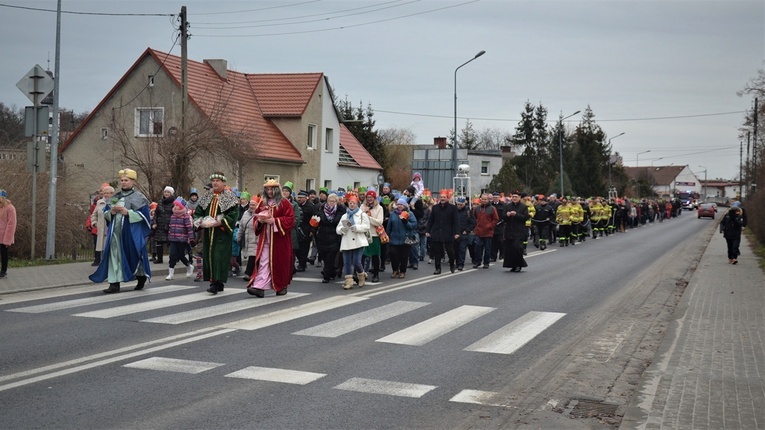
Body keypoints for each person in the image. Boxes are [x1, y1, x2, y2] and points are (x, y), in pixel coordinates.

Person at [89, 169, 152, 293]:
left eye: (126, 180)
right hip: (115, 233)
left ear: (133, 182)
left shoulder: (140, 197)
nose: (123, 182)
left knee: (135, 254)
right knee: (114, 256)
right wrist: (110, 212)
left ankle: (140, 277)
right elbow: (106, 212)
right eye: (122, 180)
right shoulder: (115, 197)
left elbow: (145, 216)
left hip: (131, 233)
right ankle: (114, 284)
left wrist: (127, 212)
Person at [246, 179, 295, 297]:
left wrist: (275, 221)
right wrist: (260, 221)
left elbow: (291, 219)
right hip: (265, 239)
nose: (269, 192)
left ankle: (281, 286)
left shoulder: (284, 203)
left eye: (271, 189)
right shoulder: (262, 203)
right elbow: (255, 219)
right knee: (263, 262)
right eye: (267, 189)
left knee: (280, 263)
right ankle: (259, 286)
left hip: (279, 239)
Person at [193, 172, 239, 294]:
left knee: (219, 257)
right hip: (208, 233)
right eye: (213, 181)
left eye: (218, 180)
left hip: (222, 234)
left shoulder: (230, 197)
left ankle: (218, 281)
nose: (215, 183)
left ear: (223, 182)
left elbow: (233, 215)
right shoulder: (207, 196)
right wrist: (200, 222)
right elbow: (198, 212)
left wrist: (221, 222)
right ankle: (214, 282)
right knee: (209, 256)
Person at [336, 194, 370, 289]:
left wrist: (357, 228)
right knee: (346, 262)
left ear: (357, 204)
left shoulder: (362, 215)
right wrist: (342, 229)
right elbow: (338, 228)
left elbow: (367, 227)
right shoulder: (344, 216)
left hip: (358, 241)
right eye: (350, 203)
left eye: (354, 203)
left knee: (356, 262)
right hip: (347, 241)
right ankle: (349, 282)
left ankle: (361, 275)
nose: (352, 205)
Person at [426, 190, 460, 275]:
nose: (442, 199)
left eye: (444, 197)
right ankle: (437, 268)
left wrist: (457, 232)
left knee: (450, 251)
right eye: (441, 197)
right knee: (437, 252)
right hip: (437, 232)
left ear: (447, 198)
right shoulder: (435, 208)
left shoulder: (453, 208)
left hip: (448, 232)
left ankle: (452, 265)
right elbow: (431, 220)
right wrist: (428, 230)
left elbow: (456, 221)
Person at [315, 193, 345, 283]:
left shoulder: (340, 210)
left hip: (334, 236)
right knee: (324, 255)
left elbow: (339, 221)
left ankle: (326, 276)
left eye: (333, 201)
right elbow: (318, 219)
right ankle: (332, 272)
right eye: (329, 201)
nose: (331, 203)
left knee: (330, 257)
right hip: (323, 236)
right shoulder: (321, 208)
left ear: (336, 202)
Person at [386, 197, 417, 279]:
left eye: (401, 204)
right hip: (394, 239)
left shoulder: (409, 214)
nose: (399, 206)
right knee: (393, 255)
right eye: (398, 204)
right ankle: (395, 270)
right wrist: (387, 235)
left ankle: (403, 271)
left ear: (405, 205)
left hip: (405, 239)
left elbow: (413, 226)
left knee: (404, 256)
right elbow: (389, 226)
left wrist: (406, 222)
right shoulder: (393, 214)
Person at [165, 197, 195, 280]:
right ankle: (171, 273)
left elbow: (189, 228)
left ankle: (189, 266)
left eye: (177, 205)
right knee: (172, 256)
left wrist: (191, 239)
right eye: (174, 205)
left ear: (181, 206)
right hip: (173, 239)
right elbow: (170, 227)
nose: (175, 206)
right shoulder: (173, 216)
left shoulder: (185, 216)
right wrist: (169, 238)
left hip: (182, 239)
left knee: (181, 256)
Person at [361, 189, 384, 283]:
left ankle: (375, 274)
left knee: (375, 255)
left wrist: (368, 217)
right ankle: (360, 274)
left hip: (374, 234)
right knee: (362, 255)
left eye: (371, 197)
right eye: (368, 197)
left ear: (375, 198)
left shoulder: (379, 208)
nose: (369, 199)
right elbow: (358, 217)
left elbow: (379, 222)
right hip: (364, 233)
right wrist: (364, 213)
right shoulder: (362, 206)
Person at [502, 191, 529, 272]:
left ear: (519, 198)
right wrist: (507, 215)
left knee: (517, 248)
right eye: (513, 196)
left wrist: (516, 214)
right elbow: (503, 217)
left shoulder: (523, 207)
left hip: (519, 231)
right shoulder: (507, 206)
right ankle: (512, 265)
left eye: (516, 197)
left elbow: (525, 217)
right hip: (509, 230)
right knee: (510, 249)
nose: (514, 198)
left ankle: (518, 265)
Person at [237, 195, 260, 281]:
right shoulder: (246, 213)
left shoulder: (260, 214)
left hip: (256, 239)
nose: (251, 206)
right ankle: (255, 272)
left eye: (253, 205)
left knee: (252, 256)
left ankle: (248, 273)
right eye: (250, 204)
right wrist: (238, 237)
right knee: (252, 256)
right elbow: (242, 226)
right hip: (247, 239)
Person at [472, 193, 499, 269]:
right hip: (478, 231)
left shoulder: (492, 208)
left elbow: (496, 219)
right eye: (482, 199)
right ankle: (478, 261)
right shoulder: (477, 208)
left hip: (488, 232)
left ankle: (486, 262)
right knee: (477, 247)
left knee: (487, 248)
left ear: (488, 200)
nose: (484, 200)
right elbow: (474, 217)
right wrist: (476, 226)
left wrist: (490, 226)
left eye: (485, 199)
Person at [90, 186, 115, 268]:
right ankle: (105, 266)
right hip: (102, 230)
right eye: (105, 193)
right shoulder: (100, 202)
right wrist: (95, 223)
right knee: (104, 248)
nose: (106, 195)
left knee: (112, 248)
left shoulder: (116, 202)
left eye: (108, 193)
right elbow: (94, 214)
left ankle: (112, 265)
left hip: (113, 229)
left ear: (112, 193)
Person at [152, 186, 176, 263]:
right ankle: (159, 258)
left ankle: (173, 258)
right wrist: (154, 222)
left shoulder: (174, 203)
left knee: (171, 242)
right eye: (165, 192)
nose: (166, 193)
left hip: (170, 225)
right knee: (159, 242)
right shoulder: (160, 202)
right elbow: (156, 213)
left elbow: (175, 214)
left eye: (168, 192)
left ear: (171, 194)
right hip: (160, 225)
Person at [294, 190, 315, 272]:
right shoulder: (297, 205)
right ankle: (304, 260)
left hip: (307, 230)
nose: (299, 199)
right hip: (298, 229)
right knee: (297, 249)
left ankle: (302, 265)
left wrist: (312, 230)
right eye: (298, 197)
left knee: (304, 248)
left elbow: (314, 218)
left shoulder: (311, 207)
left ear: (305, 198)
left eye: (301, 198)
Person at [453, 196, 475, 271]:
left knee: (462, 249)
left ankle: (460, 264)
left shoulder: (468, 211)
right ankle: (457, 262)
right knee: (455, 249)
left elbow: (473, 223)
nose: (459, 206)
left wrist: (467, 230)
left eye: (461, 205)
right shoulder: (454, 211)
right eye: (458, 204)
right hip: (455, 233)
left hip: (464, 233)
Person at [0, 189, 17, 279]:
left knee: (4, 254)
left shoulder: (10, 208)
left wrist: (7, 239)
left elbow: (11, 224)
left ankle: (3, 271)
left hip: (4, 236)